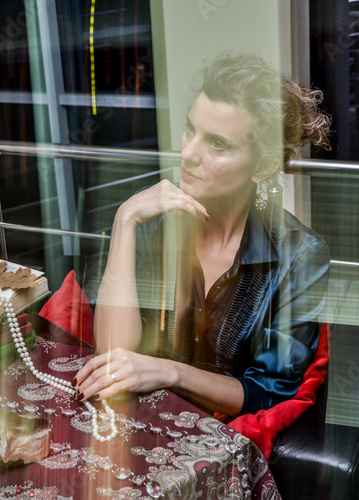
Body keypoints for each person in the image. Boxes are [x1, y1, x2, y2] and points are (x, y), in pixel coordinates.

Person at [73, 53, 331, 418]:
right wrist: (124, 220)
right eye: (190, 129)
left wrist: (170, 371)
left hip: (228, 448)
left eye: (217, 144)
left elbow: (266, 395)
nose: (188, 152)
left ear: (262, 165)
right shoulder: (152, 224)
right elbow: (113, 353)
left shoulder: (301, 254)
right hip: (141, 423)